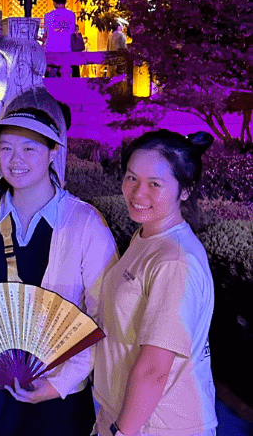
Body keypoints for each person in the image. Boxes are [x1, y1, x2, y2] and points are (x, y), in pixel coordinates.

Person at [0, 106, 117, 436]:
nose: (15, 159)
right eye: (6, 148)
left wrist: (59, 383)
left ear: (52, 152)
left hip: (59, 396)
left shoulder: (84, 223)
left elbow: (102, 316)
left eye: (28, 148)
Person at [94, 130, 217, 436]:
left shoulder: (175, 262)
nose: (137, 193)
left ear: (184, 191)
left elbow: (154, 370)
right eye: (132, 177)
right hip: (126, 414)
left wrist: (121, 433)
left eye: (155, 184)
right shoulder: (147, 236)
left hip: (161, 425)